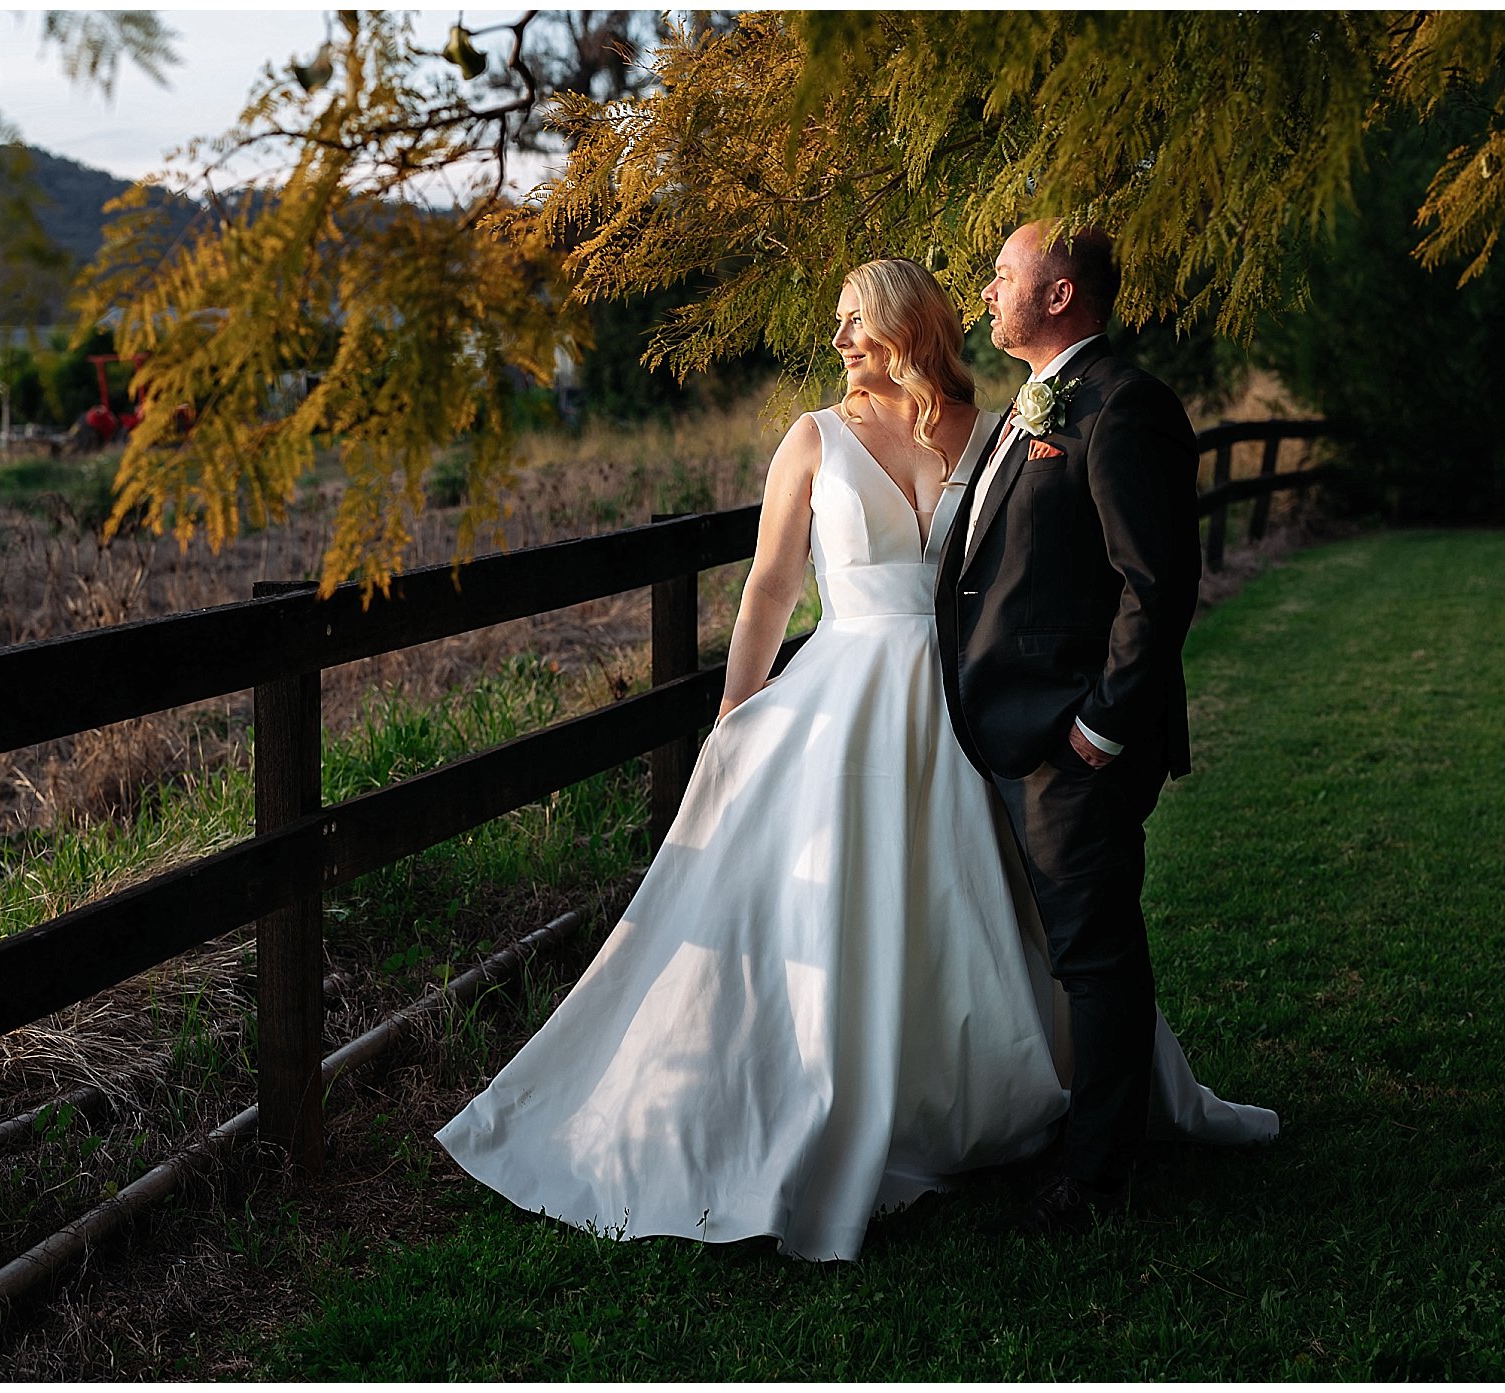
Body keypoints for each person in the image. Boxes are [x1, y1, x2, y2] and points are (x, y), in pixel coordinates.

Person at [436, 257, 1273, 1262]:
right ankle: (839, 1098)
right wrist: (735, 714)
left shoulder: (1002, 431)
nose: (840, 342)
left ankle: (1035, 1096)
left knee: (1003, 902)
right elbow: (769, 590)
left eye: (856, 322)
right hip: (843, 706)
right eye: (835, 323)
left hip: (972, 707)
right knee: (846, 903)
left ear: (910, 326)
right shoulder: (812, 439)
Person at [934, 220, 1219, 1234]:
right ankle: (1080, 1130)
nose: (987, 289)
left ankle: (1098, 1175)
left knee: (1093, 952)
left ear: (1059, 295)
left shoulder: (1121, 404)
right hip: (1006, 726)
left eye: (1005, 274)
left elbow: (1155, 581)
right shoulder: (1030, 404)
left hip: (1071, 735)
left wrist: (1100, 724)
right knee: (1067, 943)